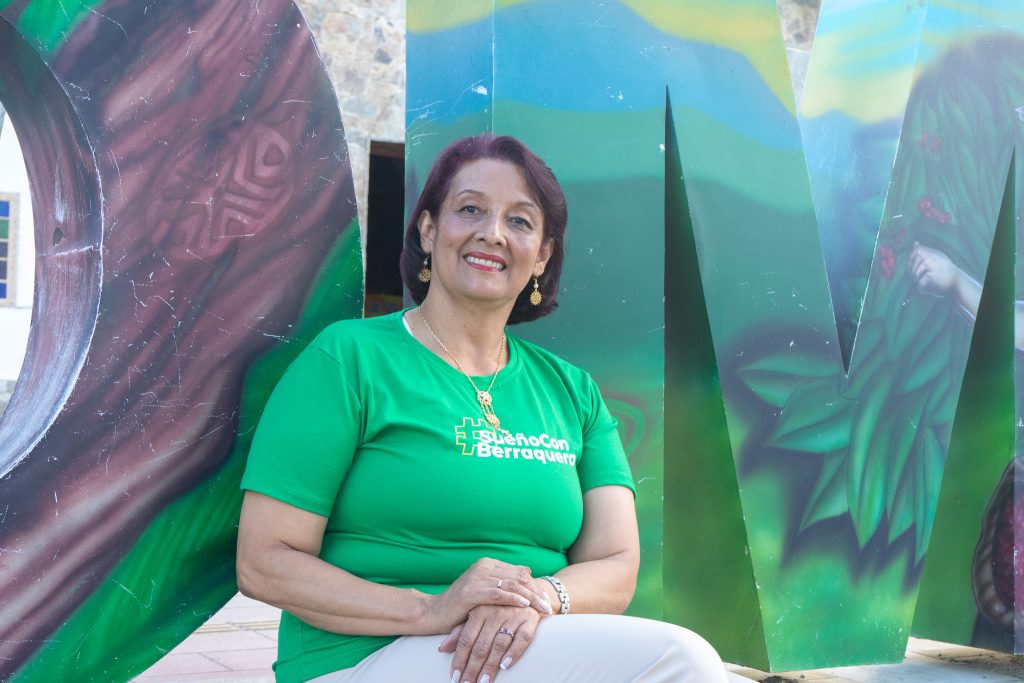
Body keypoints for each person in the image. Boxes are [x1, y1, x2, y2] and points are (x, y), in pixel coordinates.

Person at [236, 134, 728, 683]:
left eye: (520, 221)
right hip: (364, 656)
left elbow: (616, 564)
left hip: (525, 646)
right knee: (682, 663)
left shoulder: (572, 391)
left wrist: (537, 597)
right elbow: (263, 560)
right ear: (429, 230)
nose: (493, 233)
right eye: (470, 209)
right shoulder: (348, 358)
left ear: (542, 255)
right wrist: (431, 609)